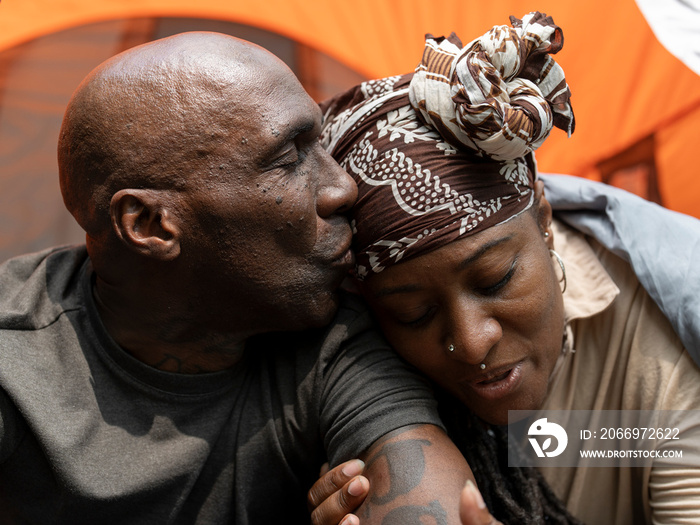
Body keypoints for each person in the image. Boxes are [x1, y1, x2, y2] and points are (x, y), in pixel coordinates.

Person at [0, 31, 485, 524]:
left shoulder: (332, 336)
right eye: (290, 157)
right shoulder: (12, 361)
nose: (342, 187)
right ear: (150, 225)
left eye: (318, 141)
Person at [309, 12, 700, 525]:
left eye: (495, 280)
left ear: (543, 221)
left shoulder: (653, 349)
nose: (471, 342)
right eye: (413, 313)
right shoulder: (352, 360)